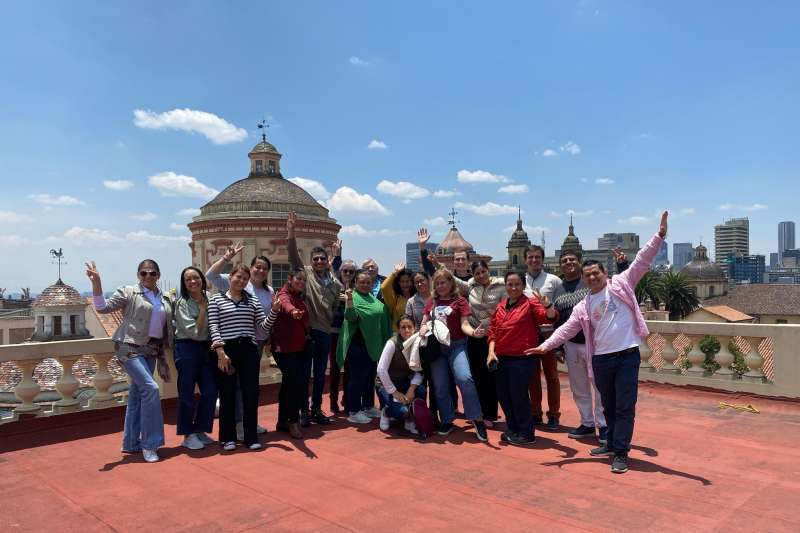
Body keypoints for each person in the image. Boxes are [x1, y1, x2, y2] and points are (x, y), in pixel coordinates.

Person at [529, 212, 669, 474]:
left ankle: (621, 452)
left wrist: (659, 236)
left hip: (626, 355)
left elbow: (642, 260)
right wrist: (545, 346)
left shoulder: (621, 285)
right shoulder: (584, 305)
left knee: (624, 406)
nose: (592, 277)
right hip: (602, 360)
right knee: (609, 405)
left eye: (596, 273)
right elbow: (567, 329)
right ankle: (611, 444)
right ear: (583, 279)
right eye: (588, 275)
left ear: (605, 273)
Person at [86, 259, 172, 463]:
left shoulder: (165, 296)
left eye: (152, 273)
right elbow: (102, 308)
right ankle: (150, 444)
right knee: (151, 389)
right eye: (144, 273)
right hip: (129, 347)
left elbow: (166, 326)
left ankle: (131, 442)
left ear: (158, 275)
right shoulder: (129, 292)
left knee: (136, 395)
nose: (148, 276)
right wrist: (96, 282)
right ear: (138, 275)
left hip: (151, 350)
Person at [206, 244, 273, 437]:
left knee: (250, 387)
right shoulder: (237, 283)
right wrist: (226, 258)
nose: (260, 270)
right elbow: (210, 276)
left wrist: (269, 336)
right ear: (250, 268)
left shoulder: (268, 290)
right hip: (232, 343)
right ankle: (237, 424)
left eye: (264, 268)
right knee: (233, 388)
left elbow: (266, 318)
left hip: (255, 343)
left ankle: (248, 422)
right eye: (257, 267)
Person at [487, 271, 557, 445]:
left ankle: (526, 433)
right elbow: (493, 331)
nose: (513, 287)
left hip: (522, 358)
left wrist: (547, 306)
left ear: (523, 286)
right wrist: (490, 352)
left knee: (518, 395)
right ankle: (513, 428)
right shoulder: (501, 306)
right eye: (510, 284)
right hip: (501, 358)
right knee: (504, 395)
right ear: (505, 286)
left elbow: (549, 318)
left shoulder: (531, 303)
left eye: (517, 284)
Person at [286, 212, 342, 427]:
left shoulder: (336, 284)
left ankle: (316, 409)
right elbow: (292, 256)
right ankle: (303, 411)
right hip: (307, 333)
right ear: (311, 262)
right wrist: (291, 231)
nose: (319, 262)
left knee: (319, 375)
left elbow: (338, 307)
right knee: (303, 375)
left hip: (324, 333)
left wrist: (336, 257)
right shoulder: (306, 274)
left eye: (322, 259)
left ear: (327, 262)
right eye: (315, 259)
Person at [419, 269, 488, 441]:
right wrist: (422, 328)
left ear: (451, 283)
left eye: (444, 282)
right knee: (441, 386)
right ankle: (447, 419)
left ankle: (476, 417)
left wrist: (473, 333)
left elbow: (464, 324)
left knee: (465, 378)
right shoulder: (432, 301)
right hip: (437, 348)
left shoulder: (460, 301)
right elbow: (425, 321)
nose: (441, 286)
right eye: (438, 283)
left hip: (456, 346)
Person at [552, 249, 608, 444]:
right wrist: (557, 348)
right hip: (572, 345)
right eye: (564, 260)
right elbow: (557, 321)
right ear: (560, 265)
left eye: (572, 259)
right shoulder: (558, 289)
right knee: (579, 388)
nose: (568, 263)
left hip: (596, 344)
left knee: (600, 387)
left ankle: (603, 425)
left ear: (579, 262)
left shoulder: (591, 282)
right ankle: (587, 423)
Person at [337, 270, 392, 424]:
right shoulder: (352, 297)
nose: (365, 285)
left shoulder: (372, 299)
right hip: (357, 344)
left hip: (373, 345)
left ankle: (368, 406)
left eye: (368, 282)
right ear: (355, 283)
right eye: (362, 282)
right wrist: (349, 301)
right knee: (357, 379)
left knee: (369, 378)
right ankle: (354, 410)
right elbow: (351, 317)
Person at [172, 267, 218, 450]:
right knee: (187, 394)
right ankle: (187, 434)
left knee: (210, 391)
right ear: (184, 284)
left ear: (202, 278)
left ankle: (199, 429)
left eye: (196, 277)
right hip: (187, 348)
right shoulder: (182, 302)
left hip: (206, 348)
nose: (193, 282)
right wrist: (201, 311)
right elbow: (194, 332)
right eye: (188, 279)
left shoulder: (210, 297)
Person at [523, 244, 563, 428]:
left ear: (542, 259)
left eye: (537, 257)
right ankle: (535, 412)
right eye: (530, 257)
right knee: (532, 376)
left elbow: (561, 308)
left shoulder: (554, 280)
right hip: (528, 335)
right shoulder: (519, 281)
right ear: (525, 260)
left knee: (552, 376)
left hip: (549, 334)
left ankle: (554, 415)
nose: (534, 260)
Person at [464, 260, 505, 427]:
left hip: (494, 337)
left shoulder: (501, 286)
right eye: (477, 273)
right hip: (475, 337)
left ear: (488, 270)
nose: (481, 276)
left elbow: (504, 309)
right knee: (477, 377)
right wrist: (435, 263)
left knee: (491, 377)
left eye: (483, 271)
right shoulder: (470, 287)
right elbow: (451, 280)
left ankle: (491, 414)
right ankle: (479, 412)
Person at [272, 268, 311, 439]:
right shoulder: (283, 294)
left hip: (299, 347)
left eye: (304, 279)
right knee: (294, 384)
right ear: (290, 279)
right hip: (283, 349)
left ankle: (282, 421)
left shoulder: (299, 296)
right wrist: (292, 311)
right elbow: (286, 304)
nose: (301, 282)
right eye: (298, 279)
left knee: (288, 383)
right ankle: (293, 422)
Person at [376, 315, 426, 435]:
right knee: (401, 411)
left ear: (415, 328)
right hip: (387, 385)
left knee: (421, 391)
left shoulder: (419, 343)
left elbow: (419, 371)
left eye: (410, 327)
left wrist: (411, 389)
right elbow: (381, 370)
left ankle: (410, 417)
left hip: (405, 382)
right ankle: (386, 412)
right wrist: (394, 392)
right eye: (403, 327)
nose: (407, 330)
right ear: (398, 329)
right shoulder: (392, 343)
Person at [329, 258, 356, 414]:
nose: (348, 274)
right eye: (345, 271)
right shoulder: (334, 285)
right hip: (335, 332)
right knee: (335, 368)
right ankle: (333, 401)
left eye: (351, 271)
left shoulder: (357, 287)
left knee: (349, 369)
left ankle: (347, 399)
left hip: (350, 333)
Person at [381, 263, 416, 330]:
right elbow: (383, 288)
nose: (405, 284)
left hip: (415, 333)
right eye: (402, 281)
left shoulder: (418, 296)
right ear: (398, 283)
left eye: (408, 281)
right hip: (398, 334)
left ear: (412, 282)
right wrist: (396, 272)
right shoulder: (395, 298)